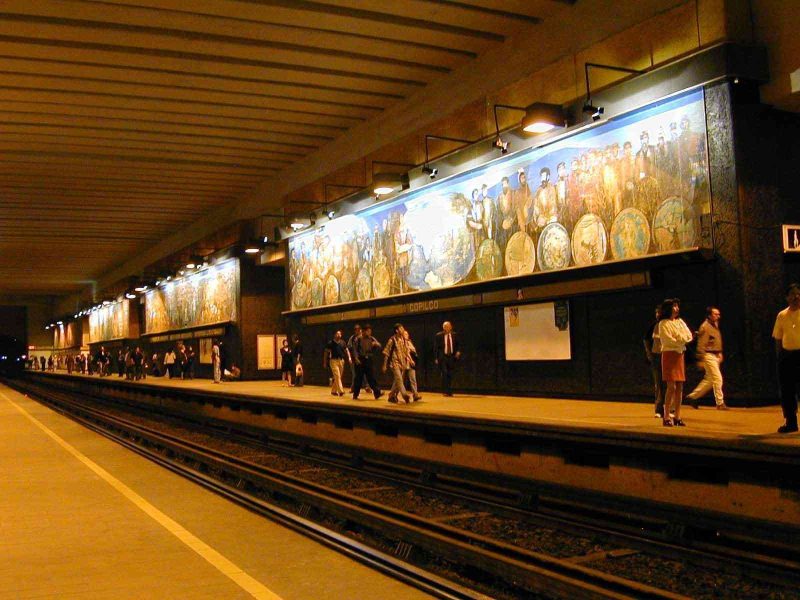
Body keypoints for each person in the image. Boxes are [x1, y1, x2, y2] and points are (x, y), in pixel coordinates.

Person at [657, 298, 693, 427]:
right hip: (669, 355)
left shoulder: (680, 322)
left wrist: (679, 339)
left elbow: (689, 336)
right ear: (668, 308)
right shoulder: (663, 323)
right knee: (671, 386)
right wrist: (680, 340)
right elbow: (668, 340)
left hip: (679, 355)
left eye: (677, 306)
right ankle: (666, 415)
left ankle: (677, 416)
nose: (677, 308)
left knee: (679, 386)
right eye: (674, 306)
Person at [686, 306, 727, 410]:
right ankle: (720, 403)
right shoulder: (705, 327)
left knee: (710, 380)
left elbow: (716, 340)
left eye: (718, 314)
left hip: (715, 355)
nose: (718, 316)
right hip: (708, 355)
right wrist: (701, 358)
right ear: (709, 315)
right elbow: (701, 344)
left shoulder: (715, 324)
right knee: (718, 378)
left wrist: (720, 352)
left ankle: (693, 397)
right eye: (715, 314)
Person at [772, 283, 800, 434]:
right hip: (787, 356)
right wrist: (780, 357)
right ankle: (791, 422)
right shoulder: (782, 315)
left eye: (798, 293)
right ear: (787, 297)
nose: (796, 296)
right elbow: (778, 337)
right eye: (793, 294)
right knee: (787, 391)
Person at [643, 305, 665, 418]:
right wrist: (649, 354)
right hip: (657, 357)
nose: (657, 315)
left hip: (668, 357)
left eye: (659, 312)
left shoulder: (669, 325)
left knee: (671, 384)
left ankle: (671, 408)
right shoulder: (654, 326)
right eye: (656, 313)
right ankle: (659, 409)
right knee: (659, 384)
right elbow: (646, 340)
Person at [382, 323, 412, 404]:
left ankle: (391, 396)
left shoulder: (403, 339)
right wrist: (384, 365)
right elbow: (386, 352)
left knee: (397, 380)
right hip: (394, 363)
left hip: (402, 363)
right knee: (399, 379)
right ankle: (405, 395)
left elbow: (406, 351)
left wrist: (410, 360)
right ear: (396, 330)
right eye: (401, 328)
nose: (403, 330)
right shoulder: (392, 340)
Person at [352, 324, 382, 400]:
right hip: (360, 359)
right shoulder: (358, 339)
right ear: (364, 331)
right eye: (368, 331)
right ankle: (355, 394)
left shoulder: (371, 338)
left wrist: (376, 344)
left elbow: (379, 345)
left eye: (370, 331)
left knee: (371, 377)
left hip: (369, 359)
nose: (369, 333)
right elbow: (354, 349)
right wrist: (356, 358)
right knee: (358, 378)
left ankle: (377, 393)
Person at [434, 321, 461, 397]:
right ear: (443, 328)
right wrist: (436, 358)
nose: (447, 328)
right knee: (444, 373)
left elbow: (458, 345)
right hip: (443, 357)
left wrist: (458, 351)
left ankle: (449, 391)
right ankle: (445, 391)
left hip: (451, 357)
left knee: (450, 374)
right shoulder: (439, 335)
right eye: (445, 327)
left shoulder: (454, 335)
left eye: (448, 326)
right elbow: (436, 347)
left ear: (451, 327)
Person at [347, 324, 370, 394]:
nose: (356, 331)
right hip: (355, 359)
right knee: (355, 374)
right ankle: (353, 388)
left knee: (365, 374)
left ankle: (367, 387)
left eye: (357, 330)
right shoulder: (353, 338)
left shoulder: (364, 337)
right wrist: (350, 357)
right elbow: (349, 348)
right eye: (355, 330)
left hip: (363, 358)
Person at [324, 330, 349, 397]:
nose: (338, 335)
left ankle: (333, 391)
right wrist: (325, 362)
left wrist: (349, 357)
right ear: (334, 335)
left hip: (341, 361)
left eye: (340, 334)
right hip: (333, 361)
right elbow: (326, 352)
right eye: (337, 334)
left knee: (338, 376)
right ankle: (341, 391)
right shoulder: (330, 343)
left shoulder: (343, 342)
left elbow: (346, 350)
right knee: (337, 375)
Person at [402, 329, 422, 401]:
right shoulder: (400, 342)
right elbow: (405, 353)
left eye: (407, 334)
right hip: (403, 363)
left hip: (410, 364)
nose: (406, 335)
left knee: (413, 379)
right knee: (400, 380)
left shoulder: (409, 342)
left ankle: (415, 395)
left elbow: (413, 351)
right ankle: (393, 394)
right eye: (405, 334)